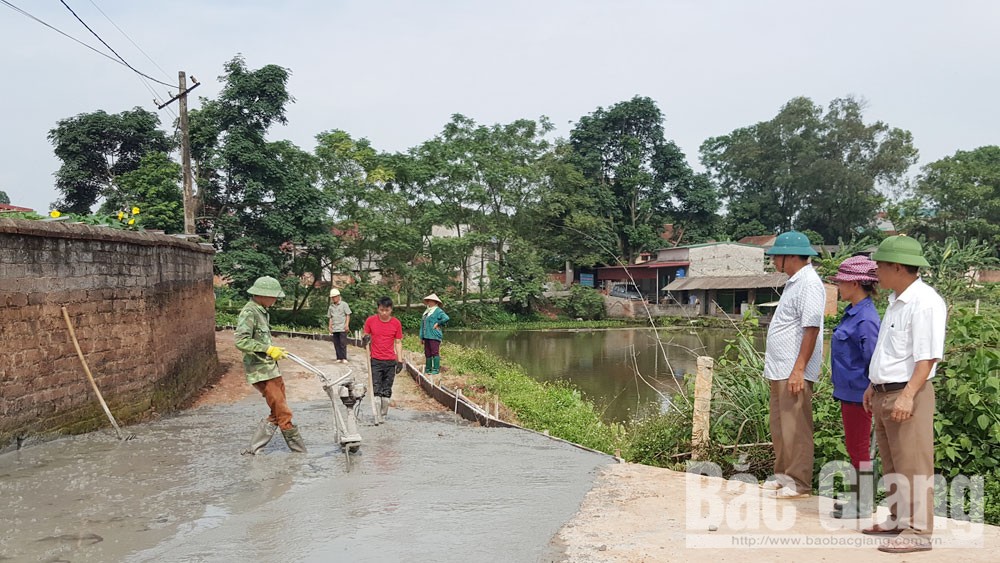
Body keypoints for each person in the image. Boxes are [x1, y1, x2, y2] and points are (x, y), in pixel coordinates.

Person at [862, 236, 946, 554]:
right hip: (887, 391)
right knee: (893, 461)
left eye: (880, 267)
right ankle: (898, 518)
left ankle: (919, 530)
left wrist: (908, 395)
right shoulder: (898, 301)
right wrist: (873, 384)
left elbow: (926, 358)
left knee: (913, 462)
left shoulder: (924, 302)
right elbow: (891, 353)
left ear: (897, 267)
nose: (876, 274)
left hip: (907, 392)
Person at [760, 231, 826, 499]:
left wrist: (799, 369)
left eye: (776, 256)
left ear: (791, 257)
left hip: (792, 369)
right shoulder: (794, 283)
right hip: (780, 368)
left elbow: (810, 329)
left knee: (796, 425)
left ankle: (799, 482)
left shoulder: (810, 283)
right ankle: (783, 475)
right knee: (780, 424)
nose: (774, 261)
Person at [828, 255, 881, 519]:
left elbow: (874, 360)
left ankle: (863, 503)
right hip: (849, 392)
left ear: (857, 283)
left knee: (859, 447)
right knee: (854, 446)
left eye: (842, 282)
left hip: (860, 394)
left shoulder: (866, 319)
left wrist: (870, 390)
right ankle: (859, 499)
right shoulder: (854, 313)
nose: (839, 286)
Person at [236, 276, 306, 454]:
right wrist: (267, 349)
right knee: (283, 413)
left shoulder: (262, 310)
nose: (275, 300)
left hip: (270, 368)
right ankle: (300, 453)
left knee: (277, 412)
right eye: (273, 296)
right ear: (262, 294)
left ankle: (253, 450)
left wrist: (274, 350)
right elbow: (241, 341)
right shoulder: (249, 312)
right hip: (260, 371)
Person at [363, 296, 404, 418]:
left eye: (387, 310)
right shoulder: (371, 321)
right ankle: (376, 414)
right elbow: (365, 335)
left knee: (387, 388)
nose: (384, 313)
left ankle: (384, 413)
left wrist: (400, 361)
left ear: (391, 309)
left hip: (390, 361)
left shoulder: (396, 323)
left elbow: (398, 342)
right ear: (378, 309)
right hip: (375, 360)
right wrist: (365, 338)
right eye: (381, 310)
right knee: (376, 387)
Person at [419, 293, 449, 375]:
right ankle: (428, 368)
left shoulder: (438, 311)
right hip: (426, 335)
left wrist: (438, 323)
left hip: (434, 335)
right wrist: (421, 337)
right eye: (429, 301)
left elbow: (446, 318)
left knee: (434, 352)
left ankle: (436, 369)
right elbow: (422, 325)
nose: (430, 302)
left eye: (431, 301)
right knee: (427, 352)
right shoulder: (426, 312)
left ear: (436, 302)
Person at [327, 288, 352, 364]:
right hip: (335, 327)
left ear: (338, 296)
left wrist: (347, 325)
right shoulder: (331, 307)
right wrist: (330, 326)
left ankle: (344, 357)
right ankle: (338, 357)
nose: (333, 298)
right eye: (332, 297)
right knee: (336, 343)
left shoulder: (344, 304)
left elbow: (348, 314)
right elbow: (330, 317)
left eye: (334, 297)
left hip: (342, 327)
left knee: (343, 343)